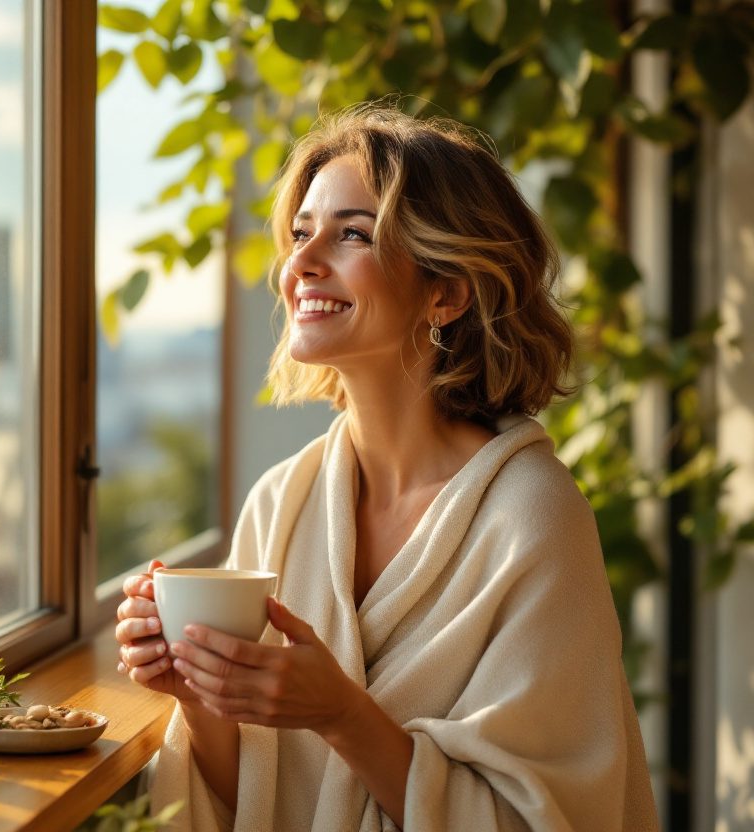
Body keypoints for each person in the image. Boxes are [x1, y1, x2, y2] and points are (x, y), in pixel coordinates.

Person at [115, 102, 658, 831]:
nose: (301, 263)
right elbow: (247, 791)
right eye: (302, 234)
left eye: (351, 235)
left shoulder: (533, 518)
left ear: (447, 292)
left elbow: (543, 818)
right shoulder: (283, 503)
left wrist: (342, 715)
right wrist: (195, 690)